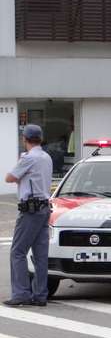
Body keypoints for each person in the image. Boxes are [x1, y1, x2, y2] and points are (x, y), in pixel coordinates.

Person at [4, 124, 53, 306]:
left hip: (30, 210)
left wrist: (20, 161)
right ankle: (40, 294)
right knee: (40, 255)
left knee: (18, 252)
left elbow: (9, 178)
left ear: (24, 139)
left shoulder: (28, 158)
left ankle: (21, 293)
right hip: (44, 208)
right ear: (40, 139)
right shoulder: (46, 157)